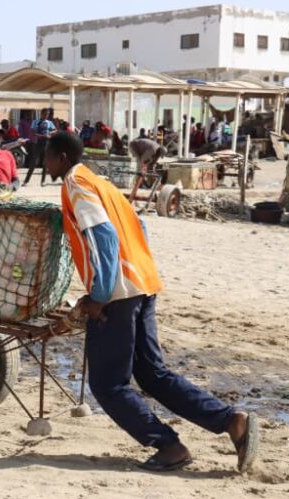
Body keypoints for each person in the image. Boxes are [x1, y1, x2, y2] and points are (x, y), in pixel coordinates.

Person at [42, 131, 259, 473]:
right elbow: (138, 226)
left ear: (62, 158)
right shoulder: (102, 182)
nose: (44, 162)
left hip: (118, 292)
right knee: (152, 373)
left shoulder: (76, 184)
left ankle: (168, 446)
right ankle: (233, 422)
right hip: (142, 282)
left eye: (47, 156)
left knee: (107, 384)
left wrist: (100, 296)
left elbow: (103, 236)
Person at [24, 107, 56, 187]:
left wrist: (50, 133)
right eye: (45, 114)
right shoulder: (36, 122)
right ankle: (26, 181)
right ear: (41, 114)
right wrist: (41, 136)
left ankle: (43, 181)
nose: (46, 116)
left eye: (47, 114)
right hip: (37, 144)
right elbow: (33, 132)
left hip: (46, 144)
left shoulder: (49, 123)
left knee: (45, 163)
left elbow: (55, 130)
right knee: (34, 163)